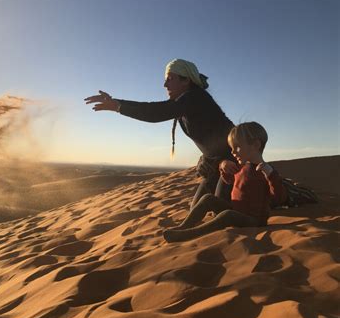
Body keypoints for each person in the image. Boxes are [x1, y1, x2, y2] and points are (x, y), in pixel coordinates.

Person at [84, 59, 237, 209]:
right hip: (215, 163)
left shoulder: (195, 97)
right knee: (197, 209)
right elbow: (154, 108)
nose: (165, 85)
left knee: (221, 209)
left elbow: (156, 113)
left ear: (186, 81)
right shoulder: (185, 101)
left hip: (234, 161)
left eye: (170, 79)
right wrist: (116, 102)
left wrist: (118, 107)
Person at [163, 121, 287, 242]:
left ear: (255, 145)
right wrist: (223, 167)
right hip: (236, 211)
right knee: (208, 198)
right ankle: (183, 227)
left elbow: (279, 198)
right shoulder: (242, 167)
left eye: (237, 147)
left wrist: (270, 175)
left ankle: (190, 234)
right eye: (231, 148)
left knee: (228, 215)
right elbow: (229, 181)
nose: (232, 152)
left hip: (254, 220)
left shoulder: (267, 171)